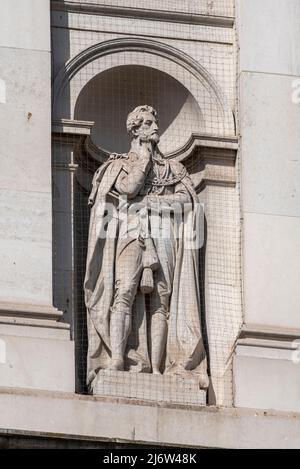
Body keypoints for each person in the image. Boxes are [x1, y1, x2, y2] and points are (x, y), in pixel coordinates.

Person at [84, 105, 208, 390]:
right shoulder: (121, 164)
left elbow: (187, 202)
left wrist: (155, 203)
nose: (156, 128)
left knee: (161, 300)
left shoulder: (173, 168)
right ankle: (117, 358)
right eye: (150, 124)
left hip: (163, 234)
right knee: (123, 290)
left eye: (156, 123)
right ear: (136, 129)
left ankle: (157, 368)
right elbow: (128, 189)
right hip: (128, 232)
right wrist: (143, 160)